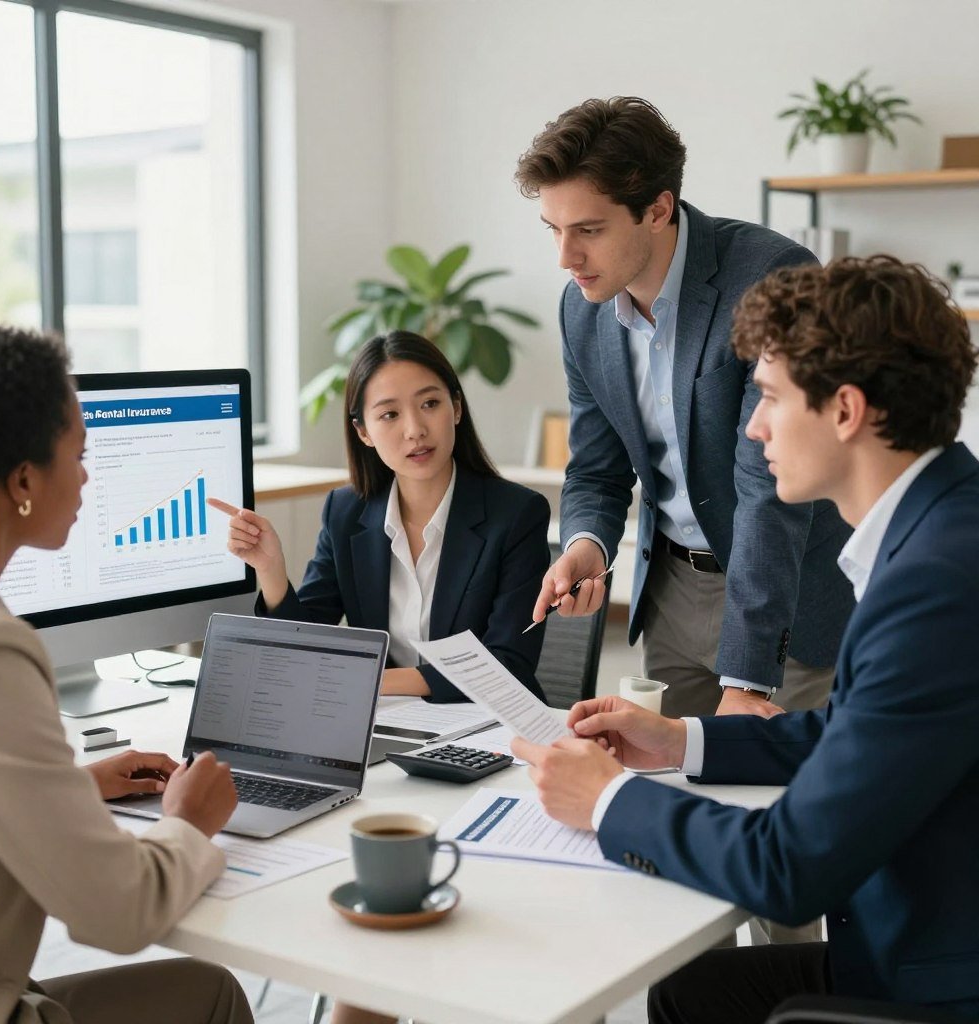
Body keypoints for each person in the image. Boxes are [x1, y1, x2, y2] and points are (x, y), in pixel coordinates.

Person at [512, 255, 979, 1022]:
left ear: (846, 411)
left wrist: (608, 800)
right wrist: (680, 742)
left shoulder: (935, 583)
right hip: (915, 943)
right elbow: (856, 734)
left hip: (935, 985)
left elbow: (788, 867)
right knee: (692, 993)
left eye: (768, 397)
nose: (754, 425)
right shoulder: (938, 525)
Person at [515, 96, 854, 719]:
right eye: (554, 231)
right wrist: (586, 541)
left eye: (588, 230)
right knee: (672, 782)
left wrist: (749, 679)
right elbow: (596, 466)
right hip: (670, 589)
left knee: (780, 793)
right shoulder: (580, 309)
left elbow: (769, 489)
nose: (566, 258)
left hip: (786, 593)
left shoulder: (774, 275)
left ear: (657, 209)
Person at [0, 323, 252, 1024]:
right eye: (80, 454)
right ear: (24, 480)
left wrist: (74, 787)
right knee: (210, 993)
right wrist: (187, 821)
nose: (88, 475)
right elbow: (119, 915)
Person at [211, 330, 550, 703]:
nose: (414, 430)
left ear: (456, 408)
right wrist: (271, 569)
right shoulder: (346, 512)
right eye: (389, 414)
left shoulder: (517, 514)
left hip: (490, 722)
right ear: (363, 432)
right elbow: (302, 644)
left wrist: (367, 680)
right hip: (388, 721)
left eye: (430, 404)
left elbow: (506, 664)